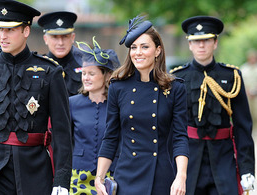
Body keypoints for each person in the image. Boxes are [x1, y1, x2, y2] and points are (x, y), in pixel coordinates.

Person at [0, 0, 72, 194]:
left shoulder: (49, 71)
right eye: (1, 29)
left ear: (26, 31)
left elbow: (62, 133)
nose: (3, 36)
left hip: (35, 172)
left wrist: (61, 181)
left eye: (10, 30)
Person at [95, 15, 189, 195]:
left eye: (145, 47)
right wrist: (99, 177)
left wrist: (181, 176)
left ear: (157, 50)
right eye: (134, 47)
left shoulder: (175, 88)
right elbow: (110, 137)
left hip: (161, 176)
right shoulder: (118, 87)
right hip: (126, 176)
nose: (138, 52)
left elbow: (180, 137)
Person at [171, 16, 255, 195]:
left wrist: (247, 170)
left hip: (224, 161)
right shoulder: (177, 79)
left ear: (215, 42)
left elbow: (243, 128)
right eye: (196, 41)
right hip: (188, 163)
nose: (201, 45)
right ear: (189, 44)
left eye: (206, 40)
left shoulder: (233, 76)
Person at [69, 36, 120, 194]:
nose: (86, 78)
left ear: (106, 76)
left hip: (110, 176)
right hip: (78, 175)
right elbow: (65, 141)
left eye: (91, 73)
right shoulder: (72, 103)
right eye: (84, 73)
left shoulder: (118, 105)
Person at [38, 11, 82, 96]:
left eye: (65, 36)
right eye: (55, 37)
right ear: (45, 39)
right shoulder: (37, 67)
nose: (60, 43)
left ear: (73, 38)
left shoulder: (84, 65)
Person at [241, 49, 257, 125]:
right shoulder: (243, 69)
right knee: (248, 115)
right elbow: (241, 82)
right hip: (247, 96)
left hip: (256, 96)